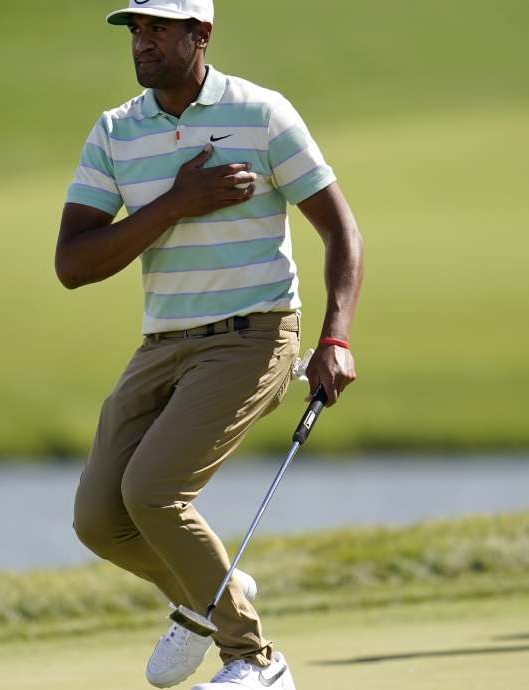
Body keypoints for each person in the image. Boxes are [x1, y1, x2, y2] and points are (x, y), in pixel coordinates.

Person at [55, 1, 363, 688]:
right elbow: (73, 264)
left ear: (202, 34)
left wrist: (335, 335)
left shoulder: (261, 113)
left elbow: (343, 232)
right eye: (136, 29)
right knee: (99, 518)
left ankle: (255, 660)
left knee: (154, 493)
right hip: (163, 340)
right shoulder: (115, 131)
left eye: (159, 27)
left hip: (253, 335)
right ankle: (214, 587)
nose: (143, 42)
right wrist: (175, 203)